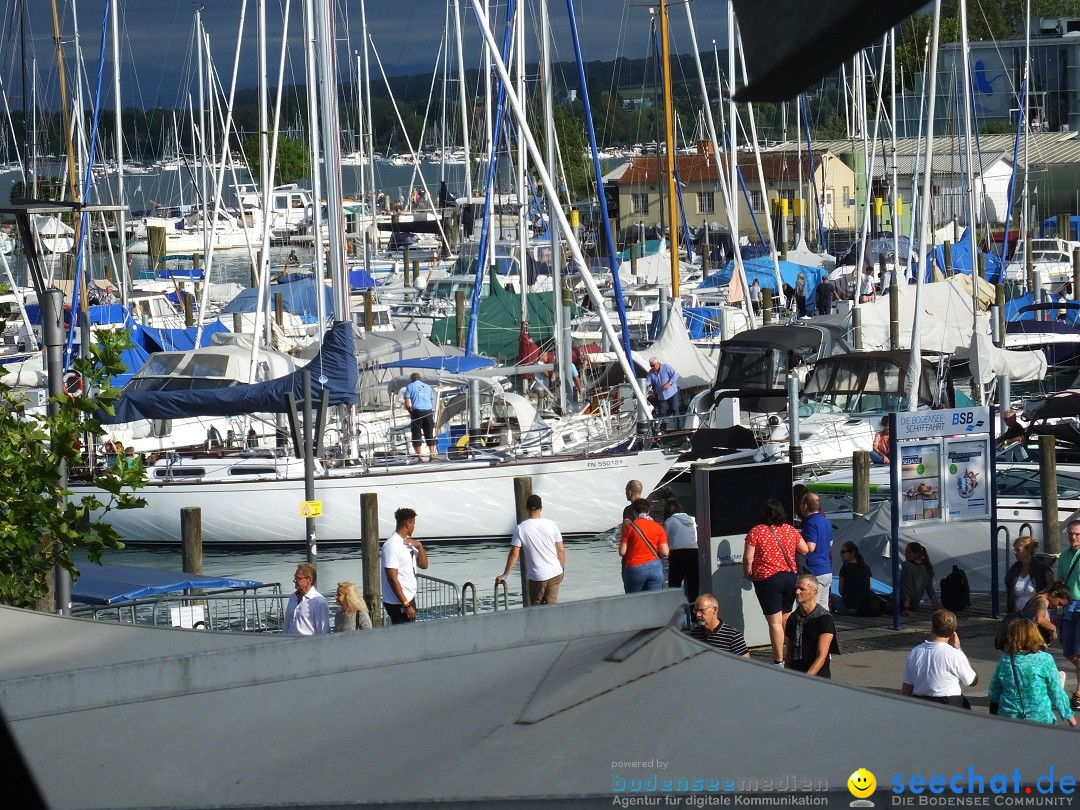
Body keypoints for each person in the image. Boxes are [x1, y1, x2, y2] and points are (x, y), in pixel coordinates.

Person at [743, 498, 809, 666]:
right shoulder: (790, 530)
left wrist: (747, 574)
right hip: (789, 578)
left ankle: (778, 660)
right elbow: (805, 549)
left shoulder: (757, 531)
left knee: (774, 622)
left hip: (768, 580)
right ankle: (791, 655)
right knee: (786, 619)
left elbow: (748, 558)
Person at [988, 619, 1077, 726]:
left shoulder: (1005, 661)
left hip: (1009, 719)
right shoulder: (1044, 659)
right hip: (1039, 718)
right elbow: (1055, 691)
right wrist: (1069, 717)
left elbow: (994, 693)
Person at [495, 494, 565, 605]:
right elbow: (561, 550)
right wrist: (561, 568)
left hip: (537, 576)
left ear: (526, 508)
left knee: (536, 608)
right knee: (552, 608)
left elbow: (514, 554)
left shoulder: (521, 528)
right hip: (555, 572)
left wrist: (505, 575)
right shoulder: (552, 525)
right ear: (541, 508)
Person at [900, 609, 978, 708]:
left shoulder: (915, 651)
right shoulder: (955, 654)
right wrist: (959, 649)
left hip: (920, 703)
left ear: (932, 628)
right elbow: (972, 681)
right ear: (953, 632)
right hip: (949, 702)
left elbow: (906, 689)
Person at [381, 507, 429, 624]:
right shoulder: (392, 545)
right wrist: (406, 605)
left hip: (408, 598)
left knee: (410, 635)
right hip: (398, 602)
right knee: (404, 637)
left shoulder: (407, 543)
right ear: (408, 524)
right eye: (413, 524)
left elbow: (423, 565)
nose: (414, 527)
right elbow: (392, 578)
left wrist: (419, 546)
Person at [785, 575, 838, 677]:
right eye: (796, 588)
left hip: (817, 677)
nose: (797, 592)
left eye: (802, 589)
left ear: (814, 593)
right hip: (795, 673)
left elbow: (821, 656)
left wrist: (807, 678)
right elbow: (789, 653)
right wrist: (787, 674)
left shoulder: (824, 618)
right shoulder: (793, 618)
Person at [620, 498, 669, 592]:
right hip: (655, 568)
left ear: (634, 512)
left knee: (634, 602)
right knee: (653, 602)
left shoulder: (629, 528)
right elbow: (665, 552)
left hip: (634, 569)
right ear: (649, 511)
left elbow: (622, 552)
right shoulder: (658, 527)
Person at [1056, 519, 1080, 709]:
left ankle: (1079, 693)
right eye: (1071, 534)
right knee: (1068, 651)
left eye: (1077, 534)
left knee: (1079, 652)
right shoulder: (1064, 556)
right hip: (1069, 606)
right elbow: (1060, 583)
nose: (1073, 537)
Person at [684, 594, 749, 658]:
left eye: (702, 610)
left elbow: (745, 666)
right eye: (695, 611)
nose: (698, 615)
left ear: (715, 610)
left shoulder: (733, 637)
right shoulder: (694, 635)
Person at [798, 492, 833, 611]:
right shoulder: (825, 521)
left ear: (805, 506)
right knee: (823, 609)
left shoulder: (810, 523)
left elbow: (810, 547)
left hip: (814, 572)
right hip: (826, 570)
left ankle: (812, 630)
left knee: (811, 609)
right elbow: (830, 543)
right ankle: (826, 629)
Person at [1004, 535, 1055, 614]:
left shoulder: (1043, 569)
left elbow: (1051, 586)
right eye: (1014, 549)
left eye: (1018, 550)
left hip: (1035, 613)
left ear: (1028, 550)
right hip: (1016, 613)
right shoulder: (1014, 569)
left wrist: (1041, 596)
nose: (1015, 552)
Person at [664, 498, 699, 601]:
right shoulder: (692, 520)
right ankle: (694, 614)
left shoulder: (670, 521)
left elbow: (665, 539)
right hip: (693, 553)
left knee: (674, 589)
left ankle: (676, 615)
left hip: (677, 555)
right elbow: (695, 538)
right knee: (694, 588)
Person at [283, 562, 331, 635]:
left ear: (309, 580)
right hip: (291, 643)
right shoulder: (293, 597)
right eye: (295, 577)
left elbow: (323, 631)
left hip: (309, 644)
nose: (295, 580)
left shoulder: (319, 602)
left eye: (298, 578)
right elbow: (287, 623)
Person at [835, 542, 878, 616]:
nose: (840, 554)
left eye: (843, 552)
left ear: (852, 553)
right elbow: (870, 587)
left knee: (831, 595)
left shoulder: (845, 568)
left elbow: (841, 591)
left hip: (850, 608)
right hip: (865, 607)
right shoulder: (866, 567)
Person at [403, 372, 437, 462]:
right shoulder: (428, 387)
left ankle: (420, 457)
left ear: (412, 379)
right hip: (428, 411)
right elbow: (431, 400)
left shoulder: (410, 386)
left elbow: (407, 403)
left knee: (416, 434)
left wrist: (410, 412)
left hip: (417, 411)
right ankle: (432, 455)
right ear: (419, 378)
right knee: (429, 433)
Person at [901, 541, 939, 616]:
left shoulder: (906, 565)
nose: (905, 554)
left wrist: (906, 608)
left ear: (917, 553)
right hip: (914, 605)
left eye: (908, 552)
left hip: (901, 603)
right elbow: (930, 588)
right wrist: (936, 607)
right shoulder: (928, 565)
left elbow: (907, 587)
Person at [646, 357, 680, 429]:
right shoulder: (650, 373)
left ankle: (678, 428)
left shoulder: (666, 367)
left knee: (675, 409)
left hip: (672, 393)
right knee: (662, 413)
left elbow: (675, 375)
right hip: (661, 395)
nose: (652, 367)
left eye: (653, 365)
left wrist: (669, 383)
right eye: (651, 366)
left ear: (658, 363)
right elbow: (648, 382)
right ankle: (663, 430)